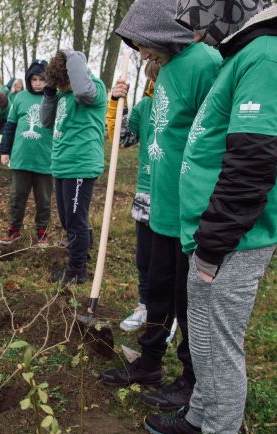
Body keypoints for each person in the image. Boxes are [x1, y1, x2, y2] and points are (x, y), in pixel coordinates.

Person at [143, 0, 277, 434]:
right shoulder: (251, 50)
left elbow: (252, 161)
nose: (197, 28)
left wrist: (213, 244)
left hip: (235, 235)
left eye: (200, 12)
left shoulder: (269, 57)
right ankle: (198, 416)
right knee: (202, 332)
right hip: (214, 228)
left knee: (218, 342)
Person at [99, 0, 222, 417]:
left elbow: (218, 135)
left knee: (188, 304)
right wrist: (116, 104)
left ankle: (191, 379)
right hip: (160, 206)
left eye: (144, 44)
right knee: (155, 292)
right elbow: (138, 133)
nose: (141, 54)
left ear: (165, 31)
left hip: (190, 209)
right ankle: (149, 363)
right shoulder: (166, 70)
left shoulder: (205, 64)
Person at [40, 49, 107, 285]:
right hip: (61, 164)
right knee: (69, 220)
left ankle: (77, 270)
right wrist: (50, 94)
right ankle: (82, 253)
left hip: (80, 165)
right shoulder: (62, 96)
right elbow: (45, 121)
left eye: (63, 83)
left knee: (76, 221)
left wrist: (73, 57)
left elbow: (82, 91)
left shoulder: (94, 88)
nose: (61, 88)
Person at [105, 62, 160, 332]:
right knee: (145, 258)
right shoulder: (146, 106)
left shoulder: (188, 103)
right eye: (154, 77)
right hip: (147, 192)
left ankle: (168, 314)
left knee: (170, 261)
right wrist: (117, 103)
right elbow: (122, 138)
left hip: (176, 195)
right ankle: (145, 306)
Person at [0, 60, 54, 246]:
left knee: (44, 200)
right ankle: (14, 230)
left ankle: (42, 232)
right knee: (17, 196)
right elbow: (10, 126)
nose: (38, 83)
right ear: (29, 79)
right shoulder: (20, 98)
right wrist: (5, 150)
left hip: (45, 159)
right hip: (21, 157)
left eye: (42, 79)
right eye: (34, 79)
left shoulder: (54, 99)